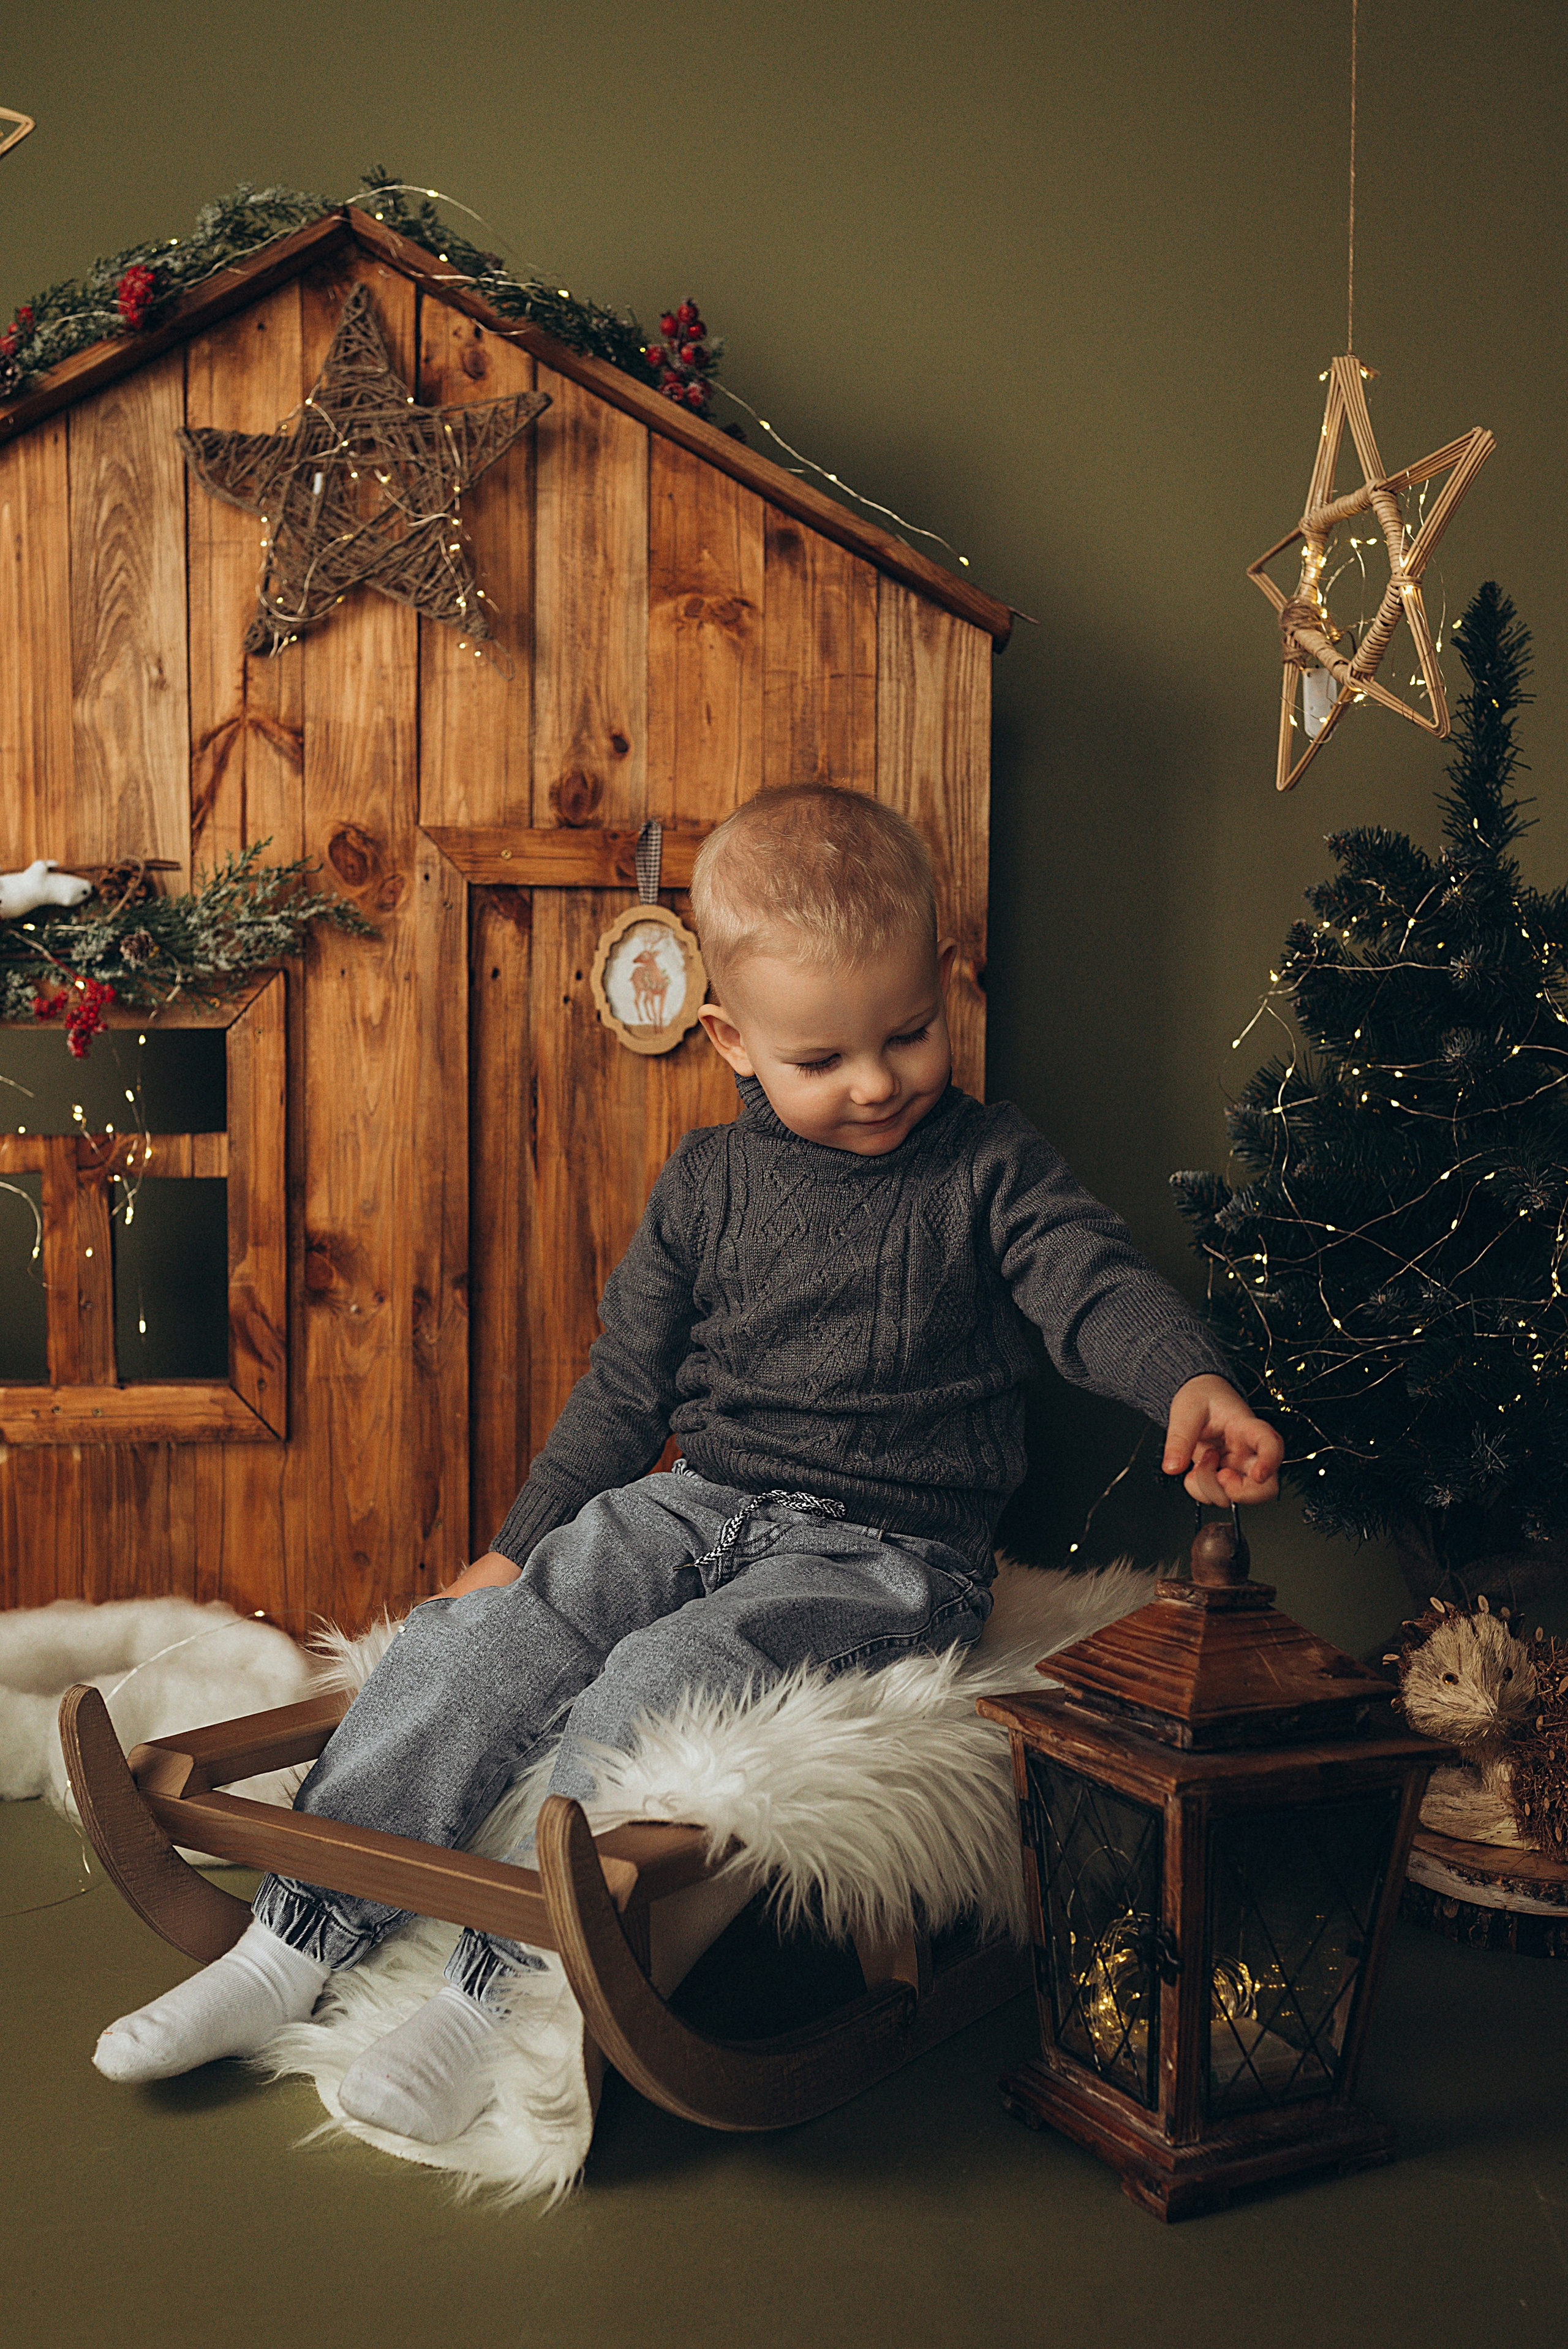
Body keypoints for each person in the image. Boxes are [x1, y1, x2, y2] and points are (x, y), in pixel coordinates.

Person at [92, 784, 1282, 2140]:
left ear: (945, 983)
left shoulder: (987, 1168)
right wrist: (517, 1544)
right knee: (477, 1639)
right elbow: (622, 1392)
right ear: (729, 1039)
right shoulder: (704, 1184)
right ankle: (294, 1940)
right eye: (822, 1056)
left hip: (886, 1552)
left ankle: (502, 1987)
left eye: (906, 1033)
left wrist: (1185, 1378)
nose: (878, 1080)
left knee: (663, 1679)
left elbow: (1091, 1286)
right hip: (697, 1499)